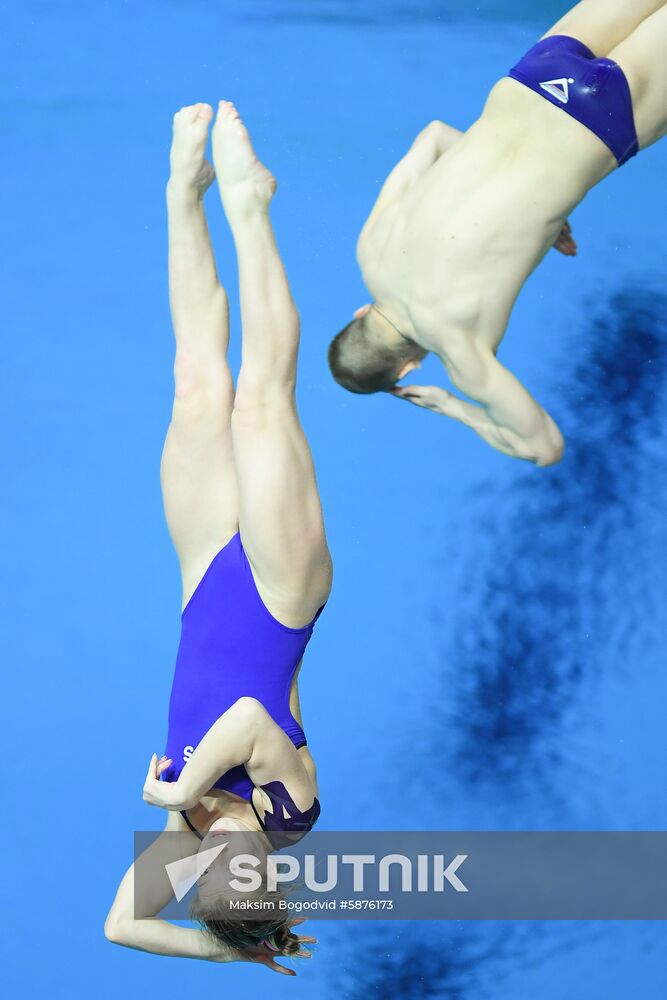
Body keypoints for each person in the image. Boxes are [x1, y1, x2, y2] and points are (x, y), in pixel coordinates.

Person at [105, 101, 332, 973]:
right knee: (261, 397)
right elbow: (242, 719)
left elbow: (122, 928)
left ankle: (182, 190)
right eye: (253, 877)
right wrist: (176, 789)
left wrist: (234, 955)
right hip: (281, 595)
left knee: (196, 383)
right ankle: (248, 201)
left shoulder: (188, 831)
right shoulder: (292, 813)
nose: (231, 855)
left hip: (203, 577)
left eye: (216, 875)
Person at [328, 0, 667, 466]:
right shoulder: (369, 248)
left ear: (409, 367)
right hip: (535, 76)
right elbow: (435, 136)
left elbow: (545, 449)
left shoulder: (459, 348)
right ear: (361, 312)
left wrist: (456, 408)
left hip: (600, 118)